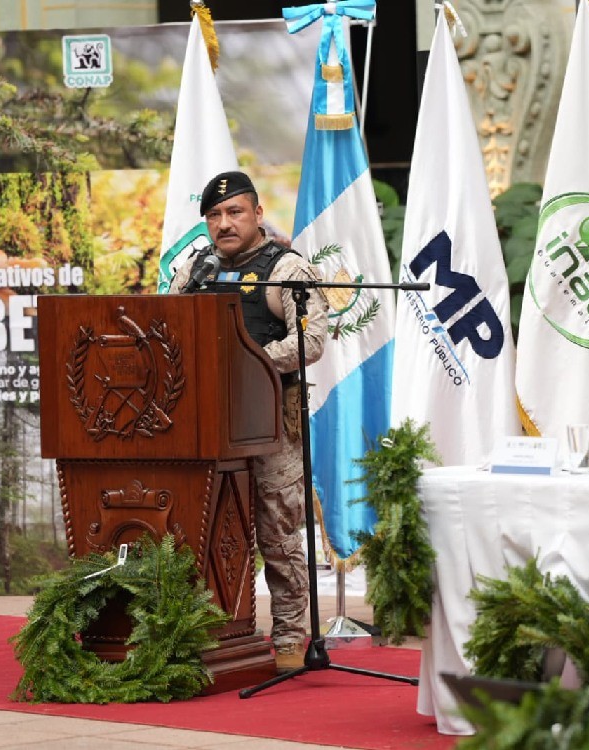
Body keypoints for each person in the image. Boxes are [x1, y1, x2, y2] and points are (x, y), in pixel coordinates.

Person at [170, 171, 328, 672]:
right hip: (204, 426)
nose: (224, 223)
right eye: (214, 215)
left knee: (277, 533)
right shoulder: (194, 271)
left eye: (234, 212)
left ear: (258, 214)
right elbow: (168, 326)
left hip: (269, 425)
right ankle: (215, 628)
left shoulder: (287, 269)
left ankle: (289, 636)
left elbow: (314, 340)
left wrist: (248, 358)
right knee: (203, 530)